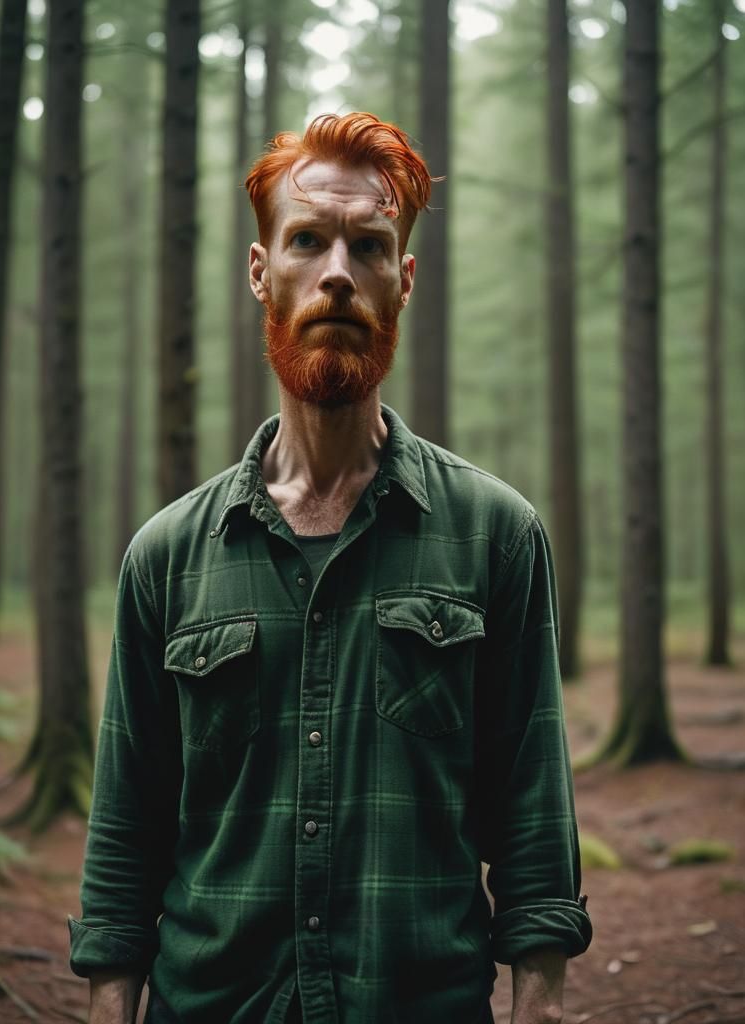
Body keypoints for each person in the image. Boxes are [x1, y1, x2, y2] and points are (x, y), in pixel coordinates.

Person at [68, 111, 592, 1024]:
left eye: (370, 245)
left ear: (404, 279)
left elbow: (533, 820)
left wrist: (538, 1005)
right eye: (308, 240)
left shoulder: (495, 536)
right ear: (262, 270)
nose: (339, 271)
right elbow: (126, 835)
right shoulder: (168, 556)